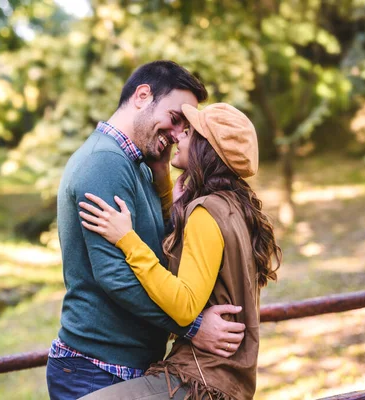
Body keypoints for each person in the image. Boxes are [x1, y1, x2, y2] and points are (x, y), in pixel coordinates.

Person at [46, 61, 248, 400]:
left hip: (126, 367)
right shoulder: (104, 163)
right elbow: (115, 275)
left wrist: (164, 185)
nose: (177, 133)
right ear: (142, 96)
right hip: (98, 370)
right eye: (175, 118)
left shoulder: (138, 164)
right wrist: (193, 327)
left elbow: (157, 246)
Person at [77, 102, 282, 399]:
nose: (178, 138)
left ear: (206, 148)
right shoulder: (235, 206)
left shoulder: (206, 211)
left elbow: (185, 304)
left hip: (201, 379)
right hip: (226, 379)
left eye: (188, 132)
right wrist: (163, 184)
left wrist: (126, 239)